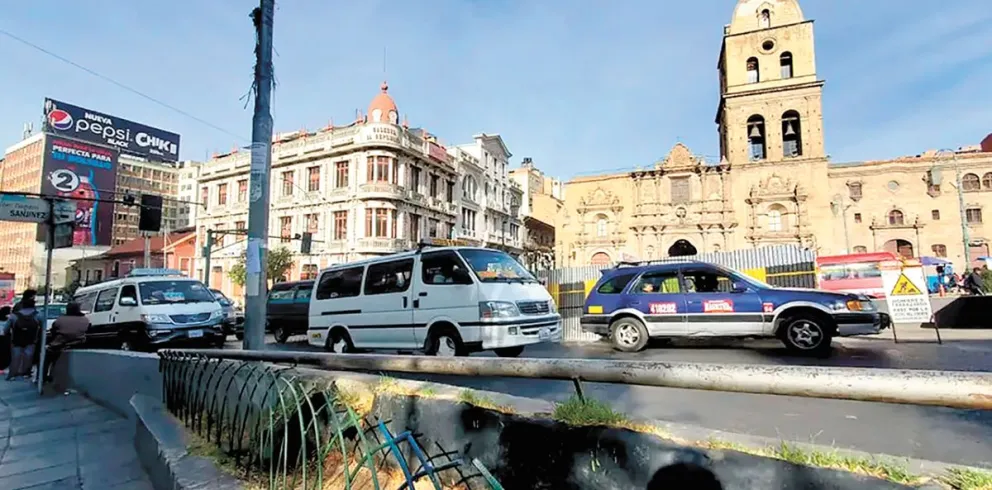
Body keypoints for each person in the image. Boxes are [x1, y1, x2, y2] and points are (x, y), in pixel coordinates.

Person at [43, 302, 88, 383]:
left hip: (60, 343)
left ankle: (43, 377)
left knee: (46, 358)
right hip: (79, 342)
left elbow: (54, 329)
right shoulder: (85, 319)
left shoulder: (61, 319)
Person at [3, 297, 41, 380]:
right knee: (28, 356)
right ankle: (26, 373)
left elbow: (5, 329)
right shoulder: (37, 315)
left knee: (15, 357)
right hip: (31, 339)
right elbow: (42, 327)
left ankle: (12, 374)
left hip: (16, 340)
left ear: (22, 305)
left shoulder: (14, 316)